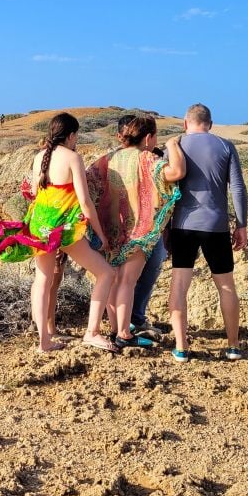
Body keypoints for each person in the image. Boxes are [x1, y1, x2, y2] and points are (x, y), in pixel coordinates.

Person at [0, 112, 117, 352]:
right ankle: (92, 332)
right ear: (71, 135)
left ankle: (44, 341)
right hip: (63, 229)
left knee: (42, 280)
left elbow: (38, 194)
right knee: (106, 273)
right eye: (76, 135)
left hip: (40, 226)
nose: (76, 140)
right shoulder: (73, 158)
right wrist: (101, 235)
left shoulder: (40, 157)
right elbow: (86, 202)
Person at [87, 116, 186, 348]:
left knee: (113, 281)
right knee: (127, 282)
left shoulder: (107, 159)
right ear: (149, 137)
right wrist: (173, 145)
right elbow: (176, 173)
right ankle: (124, 333)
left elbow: (87, 182)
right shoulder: (148, 159)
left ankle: (116, 330)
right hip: (138, 232)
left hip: (110, 231)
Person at [167, 103, 248, 363]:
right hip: (216, 225)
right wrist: (242, 224)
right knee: (225, 285)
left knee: (180, 284)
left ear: (185, 123)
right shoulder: (225, 146)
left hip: (183, 224)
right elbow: (238, 188)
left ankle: (181, 347)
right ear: (210, 124)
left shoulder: (177, 145)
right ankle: (233, 346)